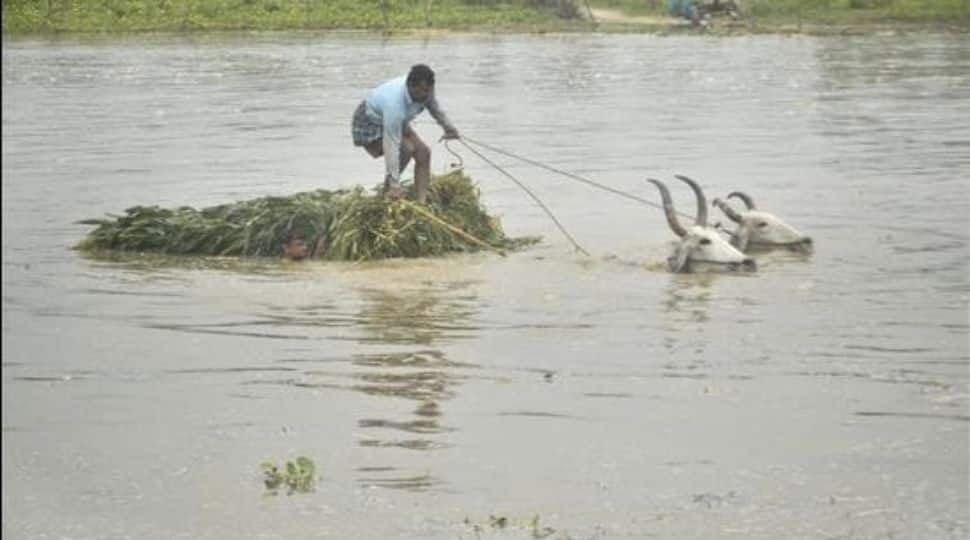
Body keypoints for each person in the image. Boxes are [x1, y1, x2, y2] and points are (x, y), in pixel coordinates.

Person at [351, 64, 460, 204]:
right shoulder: (394, 105)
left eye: (428, 90)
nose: (425, 95)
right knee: (406, 149)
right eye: (421, 91)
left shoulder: (427, 91)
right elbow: (392, 146)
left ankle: (422, 202)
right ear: (410, 87)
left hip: (398, 120)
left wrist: (449, 128)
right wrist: (395, 184)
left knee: (424, 152)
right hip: (369, 121)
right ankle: (389, 190)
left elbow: (434, 108)